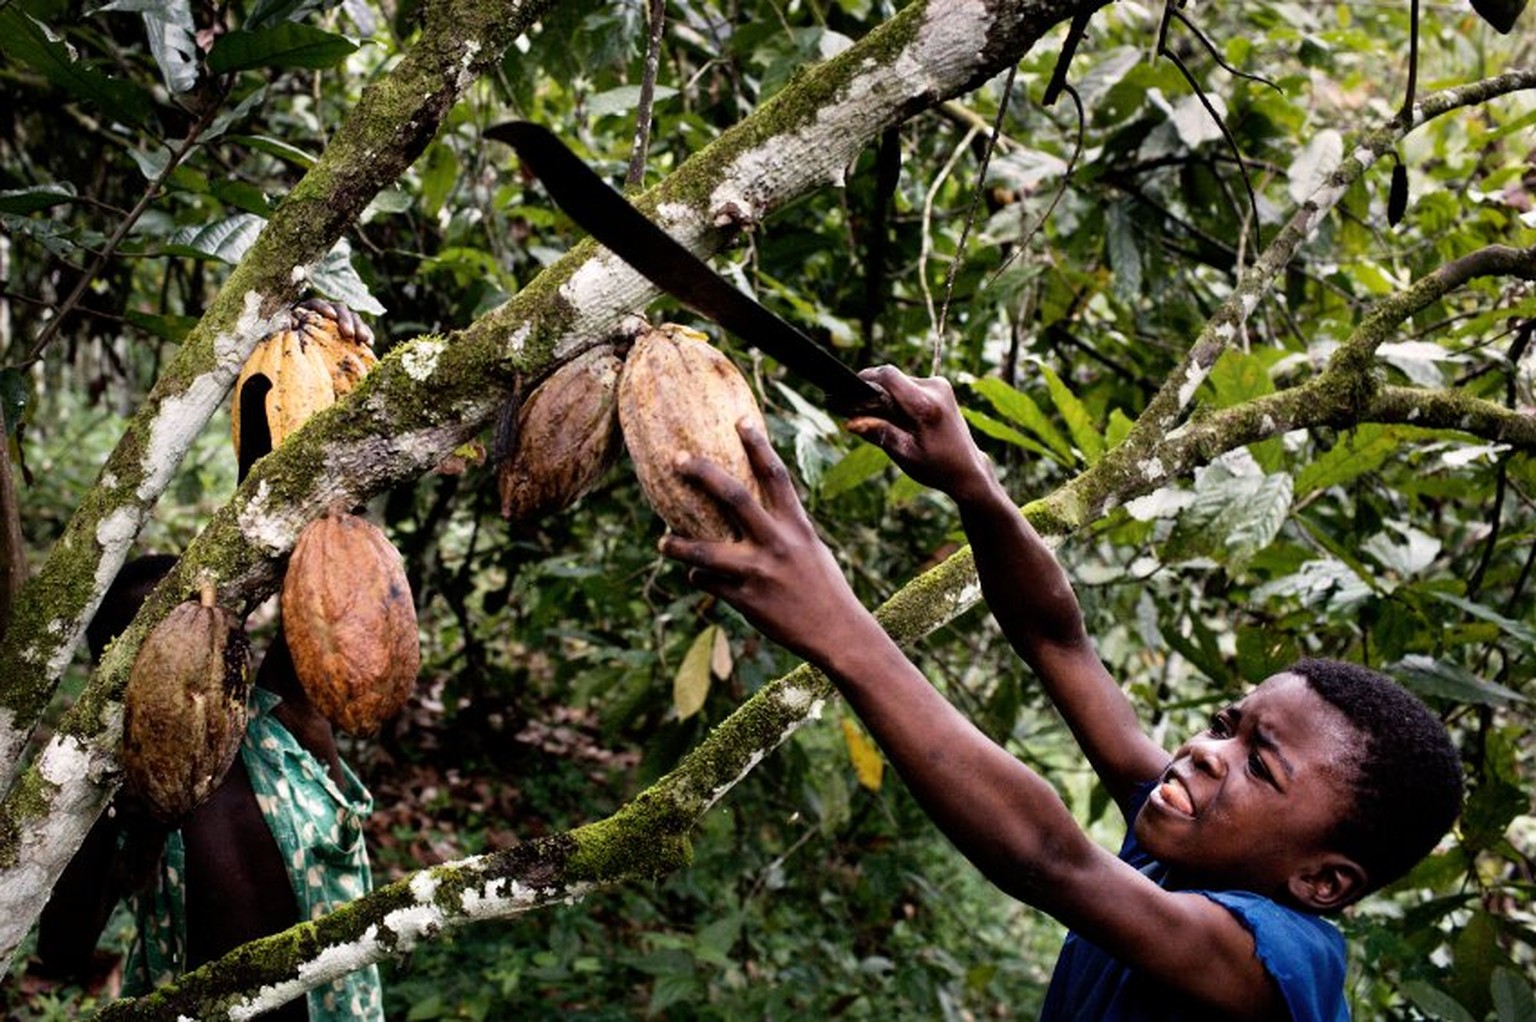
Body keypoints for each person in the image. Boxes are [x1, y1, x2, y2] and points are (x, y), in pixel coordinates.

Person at [659, 366, 1463, 1020]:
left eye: (1261, 766)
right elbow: (1057, 640)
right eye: (1228, 725)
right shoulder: (1193, 843)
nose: (1206, 752)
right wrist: (972, 481)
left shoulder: (1276, 963)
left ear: (1322, 883)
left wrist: (840, 629)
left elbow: (1052, 861)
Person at [32, 554, 384, 1021]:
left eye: (199, 623)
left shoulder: (286, 721)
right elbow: (61, 952)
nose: (189, 652)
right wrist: (124, 829)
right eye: (163, 645)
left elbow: (315, 573)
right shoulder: (122, 797)